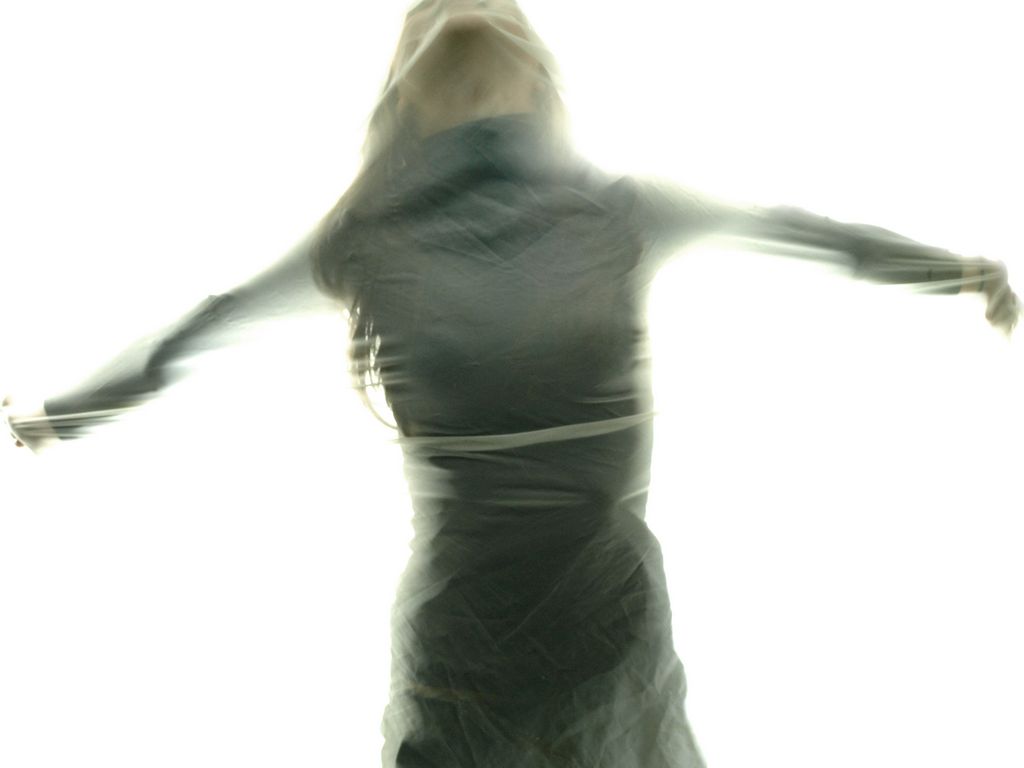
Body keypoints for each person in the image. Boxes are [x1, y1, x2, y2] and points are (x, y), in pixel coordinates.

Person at [3, 1, 1020, 766]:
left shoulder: (618, 209)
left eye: (496, 10)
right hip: (462, 638)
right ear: (406, 94)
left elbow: (802, 232)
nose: (465, 12)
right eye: (431, 21)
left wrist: (958, 273)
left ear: (537, 77)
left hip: (611, 624)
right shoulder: (369, 237)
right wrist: (65, 414)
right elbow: (211, 322)